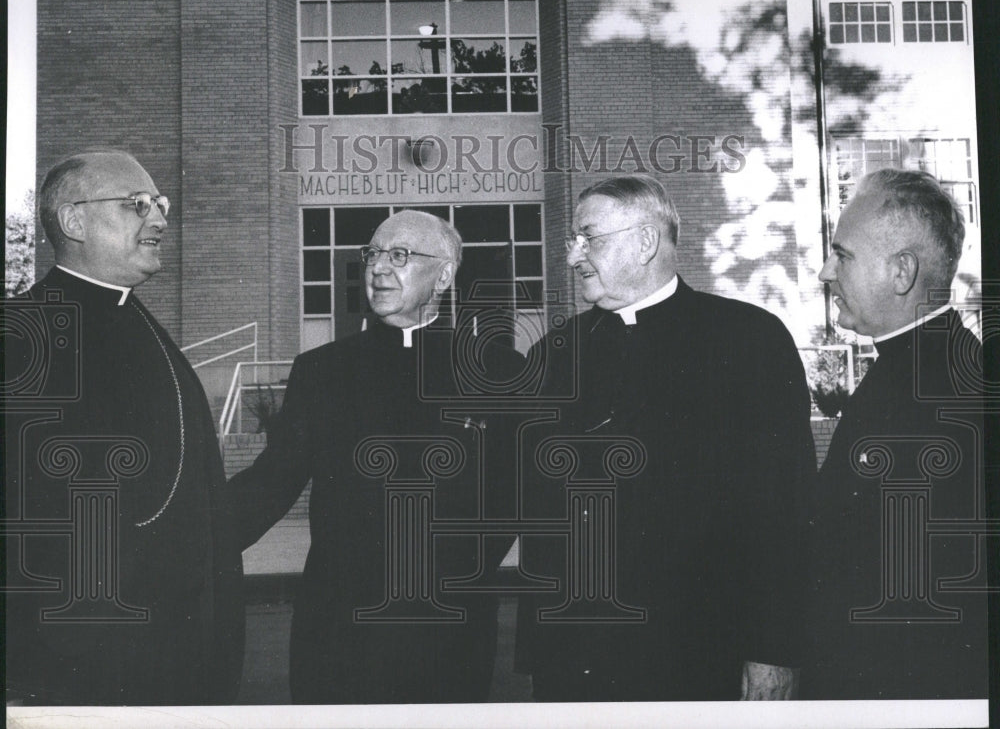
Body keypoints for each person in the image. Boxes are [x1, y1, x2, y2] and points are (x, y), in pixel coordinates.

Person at [514, 174, 816, 701]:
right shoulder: (555, 354)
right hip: (577, 659)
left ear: (646, 240)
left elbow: (784, 510)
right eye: (573, 240)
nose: (573, 255)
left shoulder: (748, 340)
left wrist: (775, 648)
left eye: (590, 238)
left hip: (698, 652)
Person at [228, 209, 523, 704]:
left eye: (400, 255)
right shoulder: (321, 372)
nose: (379, 268)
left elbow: (511, 496)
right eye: (372, 254)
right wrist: (189, 538)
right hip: (339, 627)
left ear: (445, 275)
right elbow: (271, 483)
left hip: (449, 628)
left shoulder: (496, 372)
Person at [4, 151, 244, 705]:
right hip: (72, 669)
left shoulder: (142, 324)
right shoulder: (18, 338)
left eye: (160, 204)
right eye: (137, 204)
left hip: (178, 658)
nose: (159, 219)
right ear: (73, 221)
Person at [803, 168, 987, 699]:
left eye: (843, 255)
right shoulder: (922, 368)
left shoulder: (936, 394)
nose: (824, 272)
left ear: (901, 271)